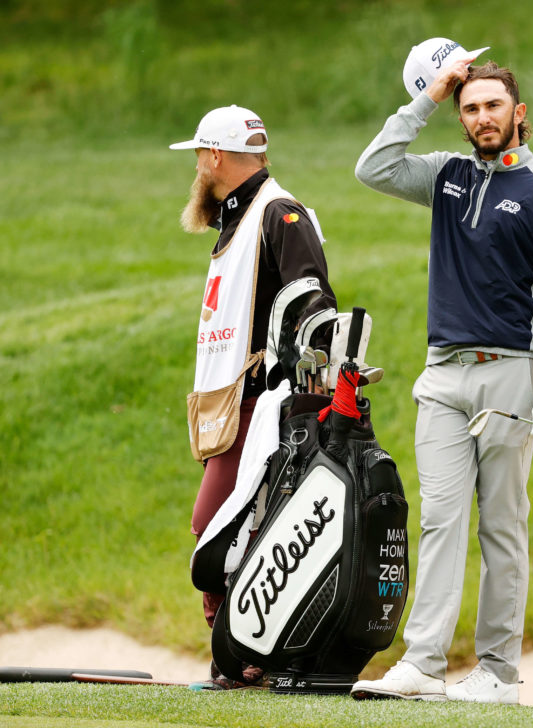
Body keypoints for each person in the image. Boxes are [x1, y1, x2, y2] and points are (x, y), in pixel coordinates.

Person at [350, 56, 533, 704]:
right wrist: (428, 95)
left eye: (493, 106)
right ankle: (423, 664)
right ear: (460, 115)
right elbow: (371, 167)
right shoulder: (445, 177)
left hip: (511, 375)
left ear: (519, 114)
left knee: (502, 526)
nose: (482, 118)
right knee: (441, 519)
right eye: (471, 108)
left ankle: (498, 673)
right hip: (443, 376)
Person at [170, 104, 337, 688]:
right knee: (229, 529)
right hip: (237, 404)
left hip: (264, 406)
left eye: (199, 156)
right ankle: (235, 663)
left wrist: (294, 388)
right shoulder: (242, 218)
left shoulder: (278, 213)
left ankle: (237, 662)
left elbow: (315, 303)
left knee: (215, 527)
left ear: (214, 156)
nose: (197, 167)